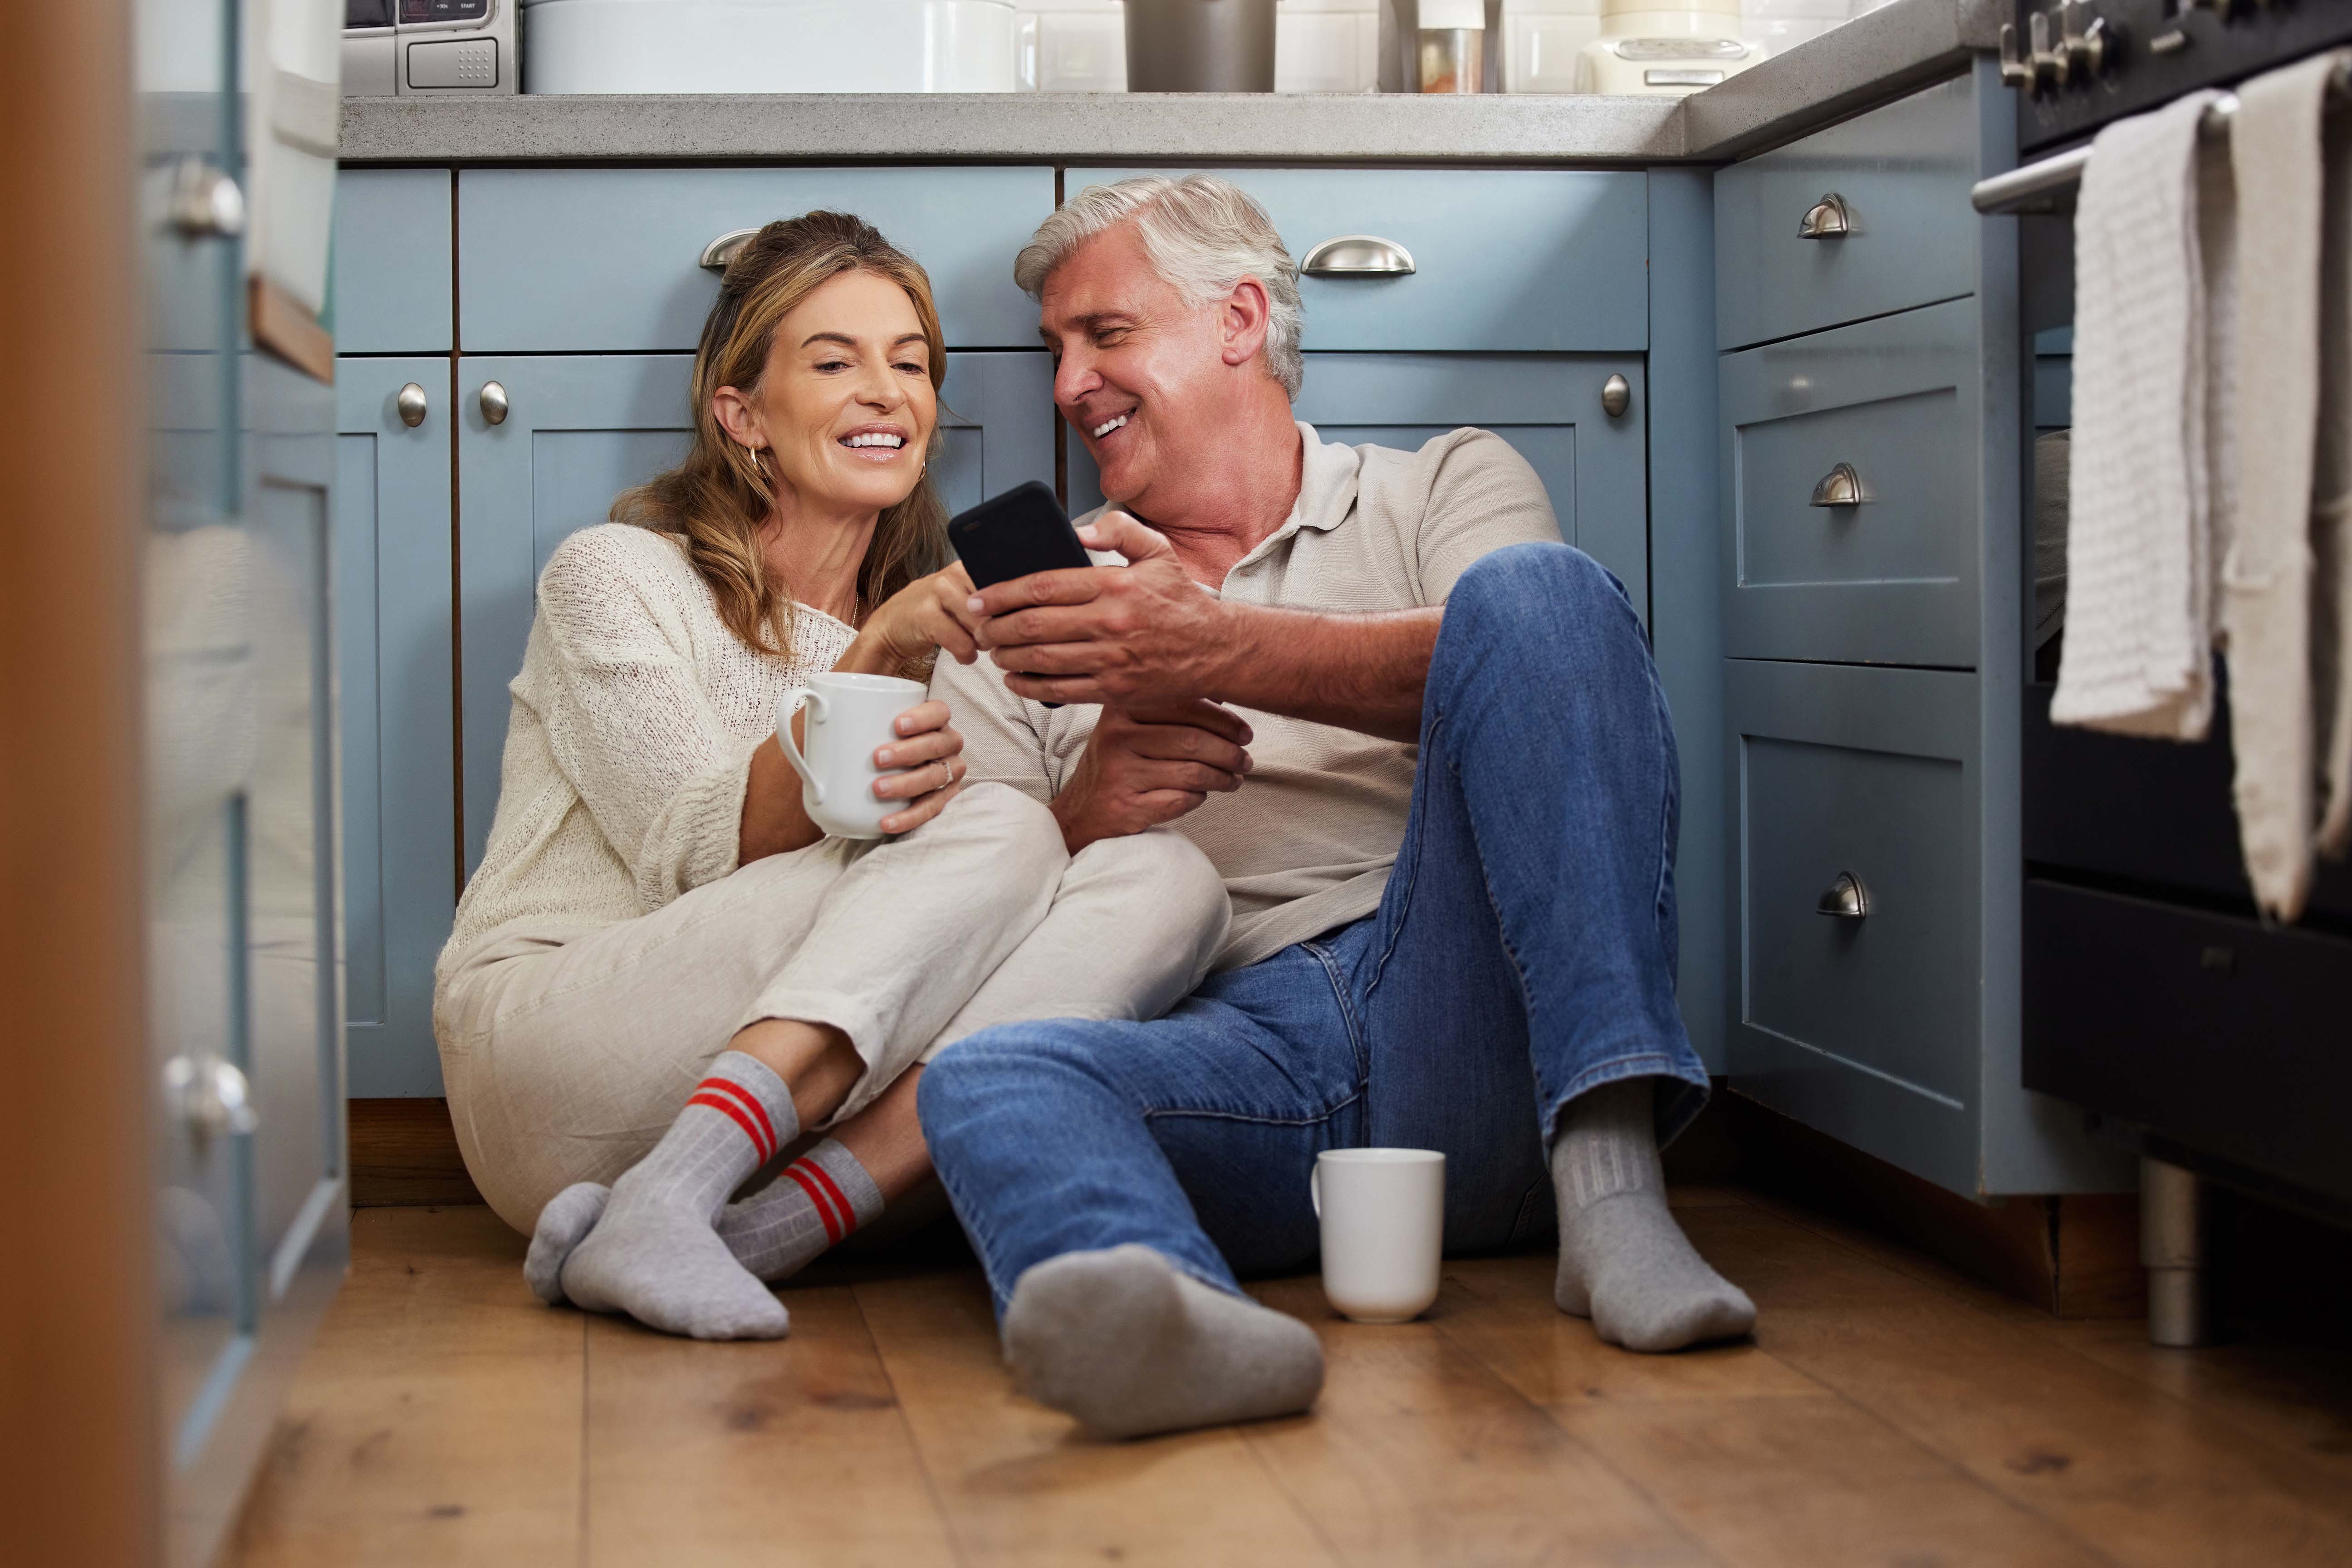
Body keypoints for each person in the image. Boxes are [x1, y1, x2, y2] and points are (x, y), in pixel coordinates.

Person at [918, 175, 1755, 1439]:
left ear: (1240, 320)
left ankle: (1612, 1189)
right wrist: (1087, 808)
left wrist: (1210, 648)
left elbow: (1540, 668)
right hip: (1238, 1046)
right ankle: (1184, 1324)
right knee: (987, 1076)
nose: (1066, 386)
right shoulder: (1034, 606)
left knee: (1541, 594)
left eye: (1105, 334)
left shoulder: (1439, 490)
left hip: (1471, 1003)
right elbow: (958, 919)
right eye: (1055, 351)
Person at [432, 211, 1230, 1342]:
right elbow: (691, 856)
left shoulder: (965, 636)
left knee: (1168, 882)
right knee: (1000, 830)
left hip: (803, 1120)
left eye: (910, 364)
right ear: (741, 414)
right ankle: (666, 1195)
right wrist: (880, 654)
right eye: (834, 361)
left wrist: (1096, 783)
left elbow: (974, 918)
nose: (885, 391)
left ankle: (756, 1231)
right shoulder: (617, 577)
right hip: (559, 1056)